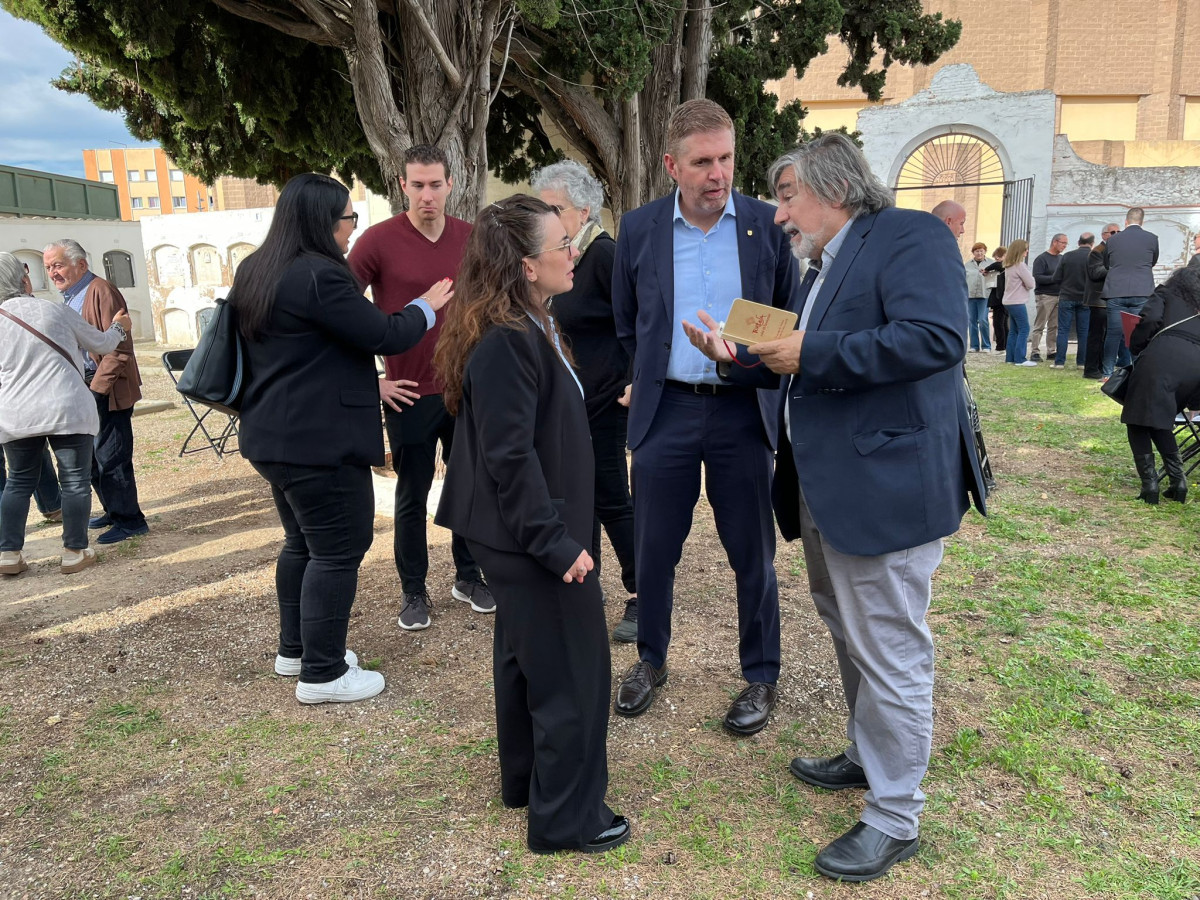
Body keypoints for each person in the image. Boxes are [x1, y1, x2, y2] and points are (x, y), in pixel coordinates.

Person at [682, 133, 985, 883]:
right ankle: (867, 752)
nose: (778, 214)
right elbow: (803, 352)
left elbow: (935, 339)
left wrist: (807, 351)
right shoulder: (820, 261)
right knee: (851, 630)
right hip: (827, 485)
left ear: (834, 186)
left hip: (883, 488)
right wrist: (741, 356)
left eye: (786, 196)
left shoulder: (907, 234)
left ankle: (895, 816)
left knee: (888, 645)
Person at [433, 195, 628, 855]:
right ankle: (568, 819)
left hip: (520, 533)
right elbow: (509, 459)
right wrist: (557, 545)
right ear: (525, 266)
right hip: (528, 538)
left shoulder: (529, 322)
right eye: (561, 247)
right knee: (574, 674)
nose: (574, 253)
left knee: (525, 660)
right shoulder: (507, 342)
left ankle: (525, 783)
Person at [610, 99, 800, 735]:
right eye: (702, 162)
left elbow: (786, 311)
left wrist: (743, 357)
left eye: (726, 159)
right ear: (672, 165)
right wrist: (645, 376)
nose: (718, 173)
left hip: (742, 411)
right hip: (666, 412)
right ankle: (650, 660)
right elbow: (626, 322)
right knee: (654, 547)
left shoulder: (767, 224)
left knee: (752, 551)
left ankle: (761, 673)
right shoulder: (638, 230)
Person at [231, 172, 450, 704]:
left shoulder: (256, 268)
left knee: (302, 543)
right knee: (338, 548)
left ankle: (297, 650)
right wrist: (426, 304)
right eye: (348, 218)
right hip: (317, 441)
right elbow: (384, 333)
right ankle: (323, 673)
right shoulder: (318, 277)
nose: (352, 227)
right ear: (324, 221)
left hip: (270, 434)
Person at [348, 144, 493, 631]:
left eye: (435, 184)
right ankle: (414, 590)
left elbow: (492, 306)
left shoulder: (472, 239)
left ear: (451, 184)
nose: (426, 194)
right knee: (412, 493)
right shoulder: (377, 241)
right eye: (417, 185)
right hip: (408, 390)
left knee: (470, 487)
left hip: (465, 388)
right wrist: (376, 381)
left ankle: (469, 576)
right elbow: (337, 311)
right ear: (403, 186)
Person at [531, 160, 638, 642]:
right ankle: (586, 586)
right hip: (572, 401)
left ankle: (643, 595)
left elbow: (639, 320)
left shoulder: (605, 255)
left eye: (556, 208)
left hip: (606, 398)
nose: (548, 217)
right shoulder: (560, 258)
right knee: (580, 500)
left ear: (585, 210)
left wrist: (636, 380)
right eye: (543, 209)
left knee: (612, 497)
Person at [0, 252, 131, 576]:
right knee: (74, 481)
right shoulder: (53, 309)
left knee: (17, 482)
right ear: (24, 279)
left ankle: (9, 553)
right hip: (66, 405)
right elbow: (100, 344)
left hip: (17, 412)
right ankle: (74, 551)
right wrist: (120, 328)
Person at [42, 239, 147, 545]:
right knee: (93, 460)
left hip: (106, 388)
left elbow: (119, 347)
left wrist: (96, 390)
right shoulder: (70, 296)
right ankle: (114, 512)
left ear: (81, 265)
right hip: (86, 385)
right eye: (48, 267)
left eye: (58, 265)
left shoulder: (100, 290)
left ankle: (130, 521)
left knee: (112, 456)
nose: (52, 273)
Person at [1119, 267, 1200, 504]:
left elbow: (1151, 319)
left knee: (1136, 420)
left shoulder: (1165, 292)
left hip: (1163, 357)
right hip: (1195, 366)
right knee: (1160, 420)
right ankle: (1178, 481)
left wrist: (1137, 345)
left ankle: (1150, 485)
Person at [1100, 207, 1159, 377]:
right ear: (1142, 221)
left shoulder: (1113, 240)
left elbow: (1107, 263)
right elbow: (1152, 261)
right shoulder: (1152, 239)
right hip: (1142, 290)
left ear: (1126, 221)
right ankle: (1138, 371)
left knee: (1113, 333)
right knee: (1137, 334)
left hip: (1116, 290)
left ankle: (1107, 373)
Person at [1050, 233, 1094, 368]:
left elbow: (1056, 278)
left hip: (1067, 296)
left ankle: (1059, 362)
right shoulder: (1093, 257)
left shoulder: (1067, 256)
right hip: (1086, 298)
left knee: (1063, 330)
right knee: (1083, 330)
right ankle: (1081, 362)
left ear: (1078, 241)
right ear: (1092, 243)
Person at [1083, 224, 1119, 379]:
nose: (1116, 234)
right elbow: (1095, 272)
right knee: (1096, 335)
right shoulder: (1097, 251)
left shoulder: (1115, 251)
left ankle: (1100, 366)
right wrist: (1115, 266)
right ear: (1104, 235)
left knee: (1106, 335)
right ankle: (1091, 369)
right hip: (1098, 299)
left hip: (1110, 297)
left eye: (1118, 232)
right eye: (1113, 232)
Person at [1030, 233, 1067, 362]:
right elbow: (1038, 277)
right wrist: (1054, 278)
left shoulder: (1061, 259)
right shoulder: (1042, 259)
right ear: (1055, 242)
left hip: (1059, 295)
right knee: (1040, 325)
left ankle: (1051, 350)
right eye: (1063, 243)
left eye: (1065, 244)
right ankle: (1034, 351)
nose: (1064, 246)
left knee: (1054, 326)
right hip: (1045, 295)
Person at [1002, 240, 1037, 366]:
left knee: (1014, 330)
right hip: (1017, 301)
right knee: (1024, 328)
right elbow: (1031, 283)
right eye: (1025, 249)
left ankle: (1010, 358)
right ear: (1020, 251)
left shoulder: (1008, 266)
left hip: (1008, 300)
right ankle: (1020, 359)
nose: (1027, 252)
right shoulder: (1020, 265)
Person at [964, 242, 990, 352]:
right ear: (973, 252)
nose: (979, 253)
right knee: (972, 321)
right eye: (977, 251)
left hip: (985, 295)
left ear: (985, 251)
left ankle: (986, 346)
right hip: (970, 296)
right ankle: (974, 346)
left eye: (981, 251)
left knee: (983, 320)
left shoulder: (991, 263)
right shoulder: (967, 265)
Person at [985, 247, 1008, 351]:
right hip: (1002, 298)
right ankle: (1004, 345)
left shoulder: (1003, 266)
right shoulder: (1007, 267)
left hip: (1000, 298)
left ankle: (1001, 346)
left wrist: (986, 269)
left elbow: (996, 265)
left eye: (998, 257)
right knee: (1002, 323)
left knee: (999, 323)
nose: (996, 259)